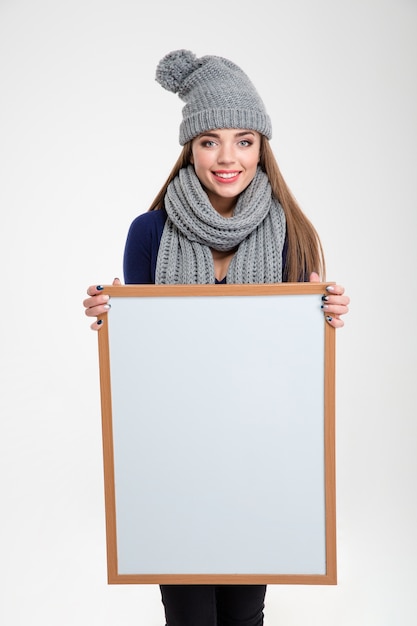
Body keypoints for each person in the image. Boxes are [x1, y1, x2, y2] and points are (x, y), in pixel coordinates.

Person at [83, 49, 350, 626]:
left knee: (244, 615)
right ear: (190, 147)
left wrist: (324, 314)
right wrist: (115, 318)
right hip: (175, 458)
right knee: (189, 616)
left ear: (262, 148)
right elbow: (147, 357)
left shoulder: (292, 231)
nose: (227, 157)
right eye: (209, 140)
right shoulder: (149, 231)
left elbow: (295, 367)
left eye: (244, 140)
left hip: (257, 458)